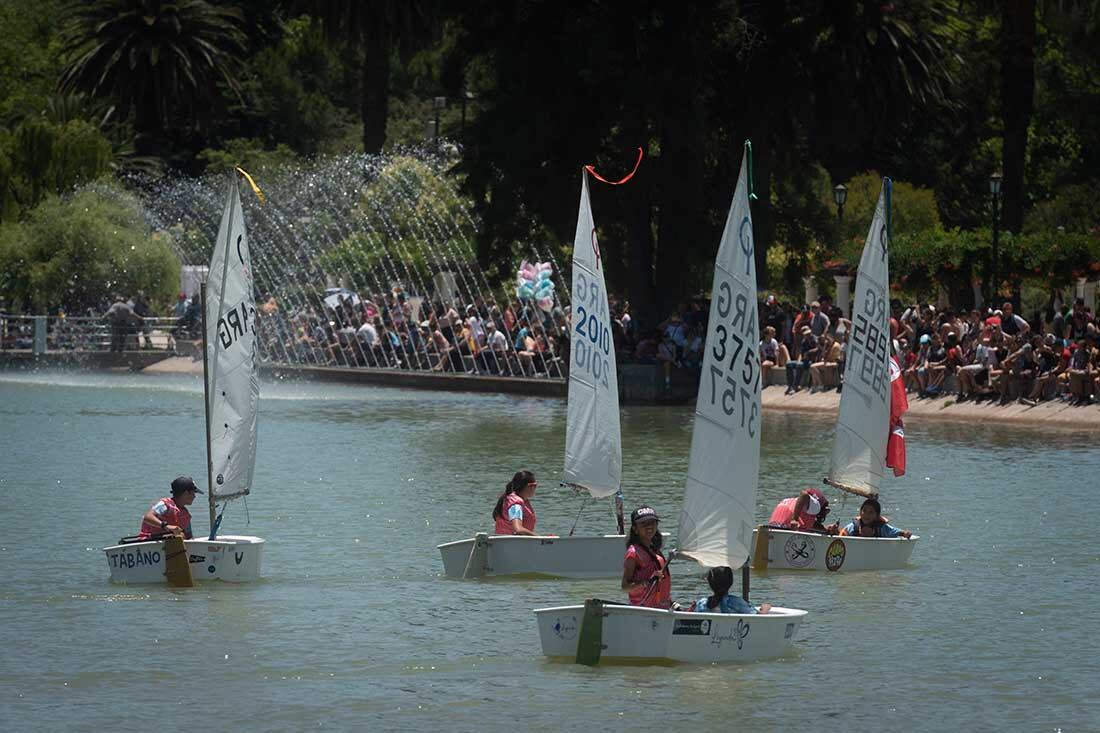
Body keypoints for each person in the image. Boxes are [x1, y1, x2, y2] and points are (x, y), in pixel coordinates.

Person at [621, 506, 671, 608]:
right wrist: (646, 582)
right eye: (643, 523)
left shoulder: (654, 550)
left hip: (662, 608)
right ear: (635, 529)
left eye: (652, 523)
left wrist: (672, 603)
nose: (649, 526)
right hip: (644, 610)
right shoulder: (633, 553)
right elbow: (625, 587)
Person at [138, 476, 203, 540]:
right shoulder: (165, 504)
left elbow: (189, 537)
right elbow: (147, 517)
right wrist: (166, 526)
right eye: (193, 493)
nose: (194, 496)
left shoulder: (186, 515)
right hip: (149, 543)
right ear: (186, 493)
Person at [689, 566, 772, 614]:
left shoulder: (701, 604)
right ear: (730, 583)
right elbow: (758, 617)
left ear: (710, 584)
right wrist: (765, 608)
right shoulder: (737, 603)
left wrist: (691, 608)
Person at [767, 488, 838, 534]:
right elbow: (804, 494)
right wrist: (794, 519)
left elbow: (811, 525)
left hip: (771, 531)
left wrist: (826, 530)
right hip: (785, 533)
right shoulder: (816, 506)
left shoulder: (789, 501)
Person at [491, 470, 539, 535]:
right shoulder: (516, 505)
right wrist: (538, 537)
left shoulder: (509, 499)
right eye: (534, 485)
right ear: (528, 486)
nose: (535, 488)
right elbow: (518, 529)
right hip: (512, 542)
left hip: (506, 541)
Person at [839, 498, 912, 539]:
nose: (866, 514)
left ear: (877, 516)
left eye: (871, 512)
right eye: (864, 511)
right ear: (860, 512)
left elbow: (897, 532)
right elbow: (842, 535)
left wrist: (905, 533)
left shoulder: (881, 528)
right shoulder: (853, 527)